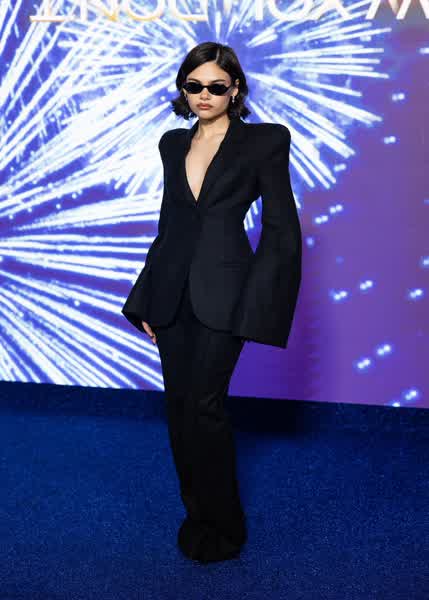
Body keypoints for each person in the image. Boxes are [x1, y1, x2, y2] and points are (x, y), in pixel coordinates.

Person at [121, 41, 302, 564]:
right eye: (194, 85)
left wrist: (258, 308)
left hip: (228, 296)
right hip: (171, 296)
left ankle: (225, 526)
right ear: (184, 89)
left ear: (235, 90)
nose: (204, 95)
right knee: (180, 411)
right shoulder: (171, 144)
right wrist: (147, 298)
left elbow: (281, 229)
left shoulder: (265, 141)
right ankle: (196, 516)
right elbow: (170, 226)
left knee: (206, 407)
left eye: (216, 86)